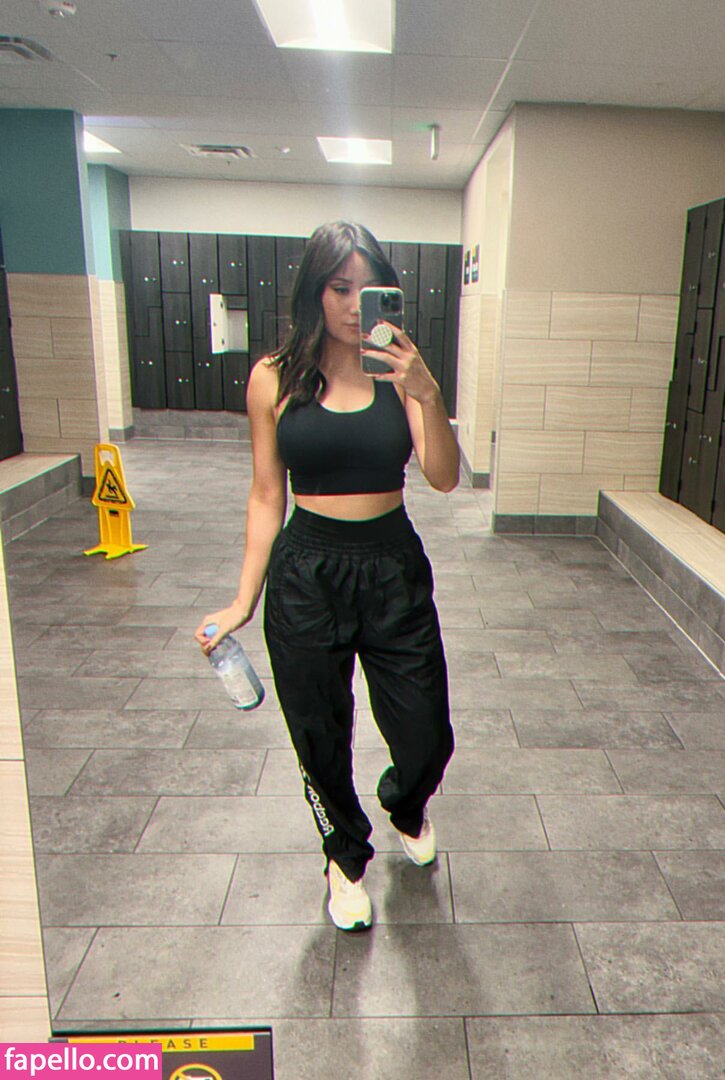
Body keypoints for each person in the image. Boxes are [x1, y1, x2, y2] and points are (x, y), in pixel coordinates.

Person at [194, 221, 458, 932]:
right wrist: (243, 599)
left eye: (364, 289)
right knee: (319, 731)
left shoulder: (400, 370)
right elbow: (265, 494)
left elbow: (443, 477)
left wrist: (428, 393)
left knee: (427, 732)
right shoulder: (274, 377)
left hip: (392, 567)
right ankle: (344, 857)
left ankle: (406, 802)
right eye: (338, 288)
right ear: (314, 290)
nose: (350, 305)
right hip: (306, 573)